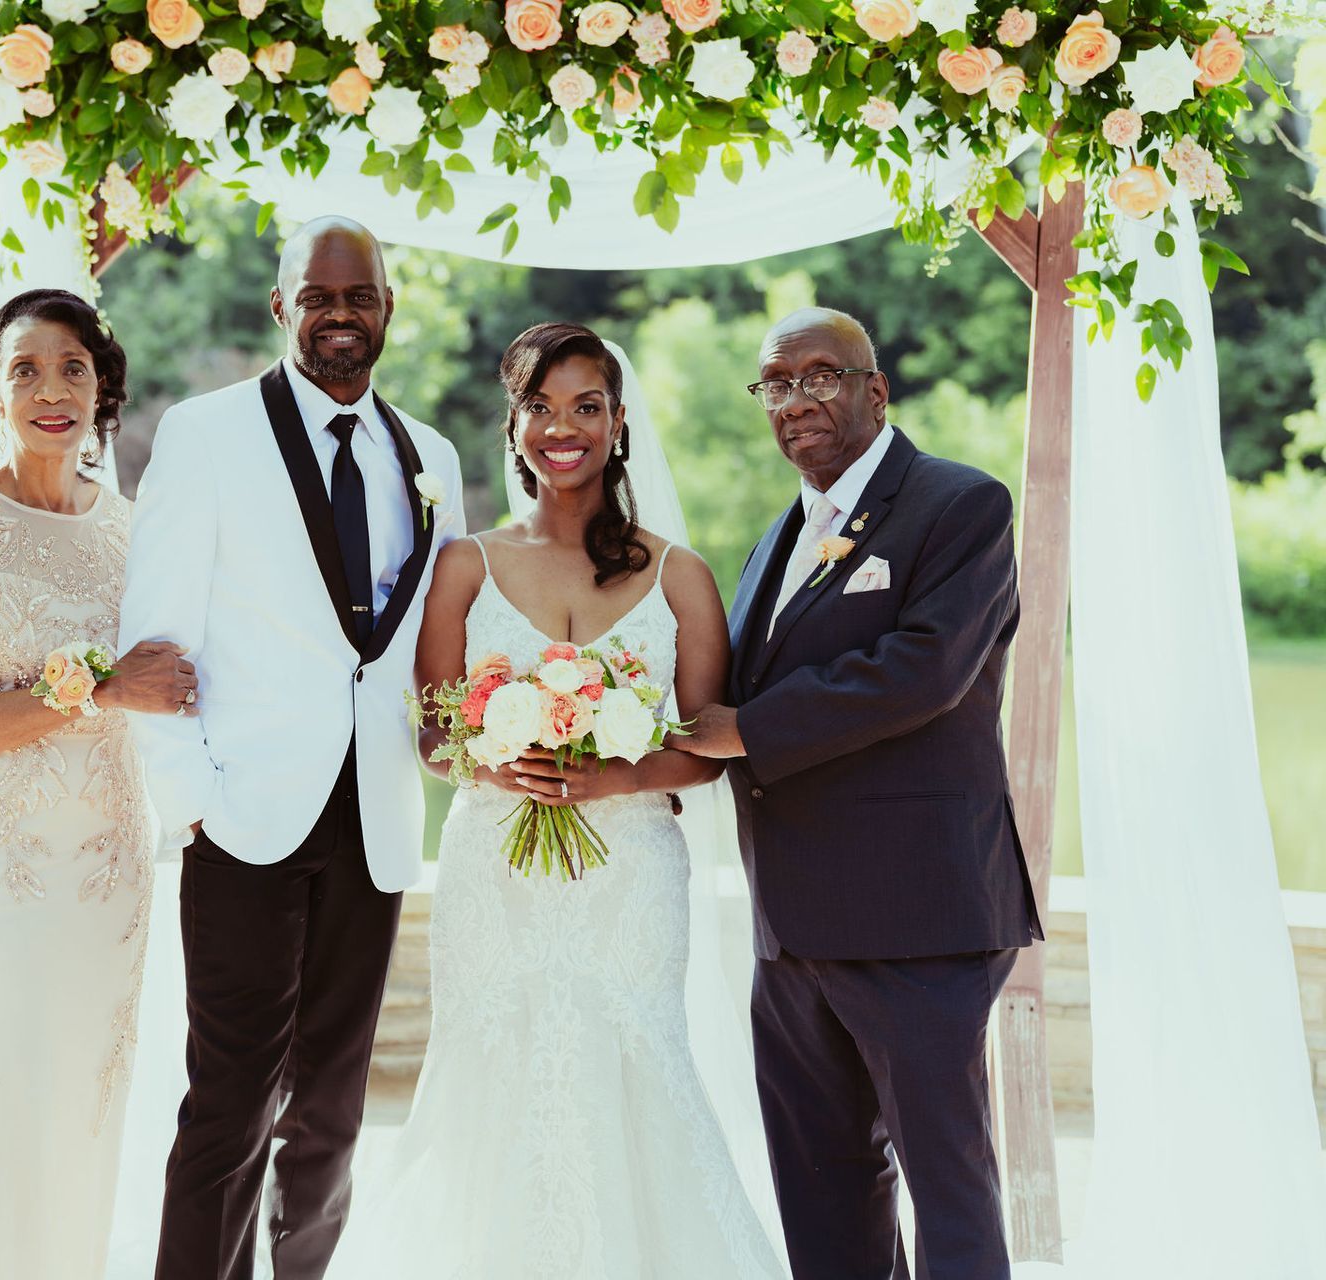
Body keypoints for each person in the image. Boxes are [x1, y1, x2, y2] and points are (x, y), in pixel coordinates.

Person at [327, 322, 787, 1278]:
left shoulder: (680, 577)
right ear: (514, 423)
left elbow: (705, 746)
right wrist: (495, 763)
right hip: (495, 868)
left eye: (586, 407)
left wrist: (616, 772)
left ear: (620, 425)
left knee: (634, 1059)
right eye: (540, 407)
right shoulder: (465, 566)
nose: (562, 428)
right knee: (492, 1062)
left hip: (629, 873)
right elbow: (434, 730)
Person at [117, 216, 465, 1280]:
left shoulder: (433, 456)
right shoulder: (206, 433)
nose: (339, 316)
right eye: (318, 297)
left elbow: (415, 648)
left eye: (359, 297)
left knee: (332, 1105)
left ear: (388, 309)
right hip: (246, 814)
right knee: (229, 1100)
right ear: (282, 308)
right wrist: (196, 803)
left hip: (374, 820)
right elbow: (155, 637)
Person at [673, 307, 1042, 1280]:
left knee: (950, 1190)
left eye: (821, 376)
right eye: (776, 383)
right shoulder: (772, 542)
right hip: (790, 929)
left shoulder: (961, 507)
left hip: (916, 919)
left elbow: (922, 670)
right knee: (825, 1194)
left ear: (875, 391)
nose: (796, 400)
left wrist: (750, 728)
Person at [0, 287, 197, 1277]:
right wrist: (102, 686)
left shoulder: (133, 529)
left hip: (108, 872)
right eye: (24, 368)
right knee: (0, 1100)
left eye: (71, 366)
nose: (49, 388)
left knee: (86, 1098)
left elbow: (177, 675)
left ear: (102, 386)